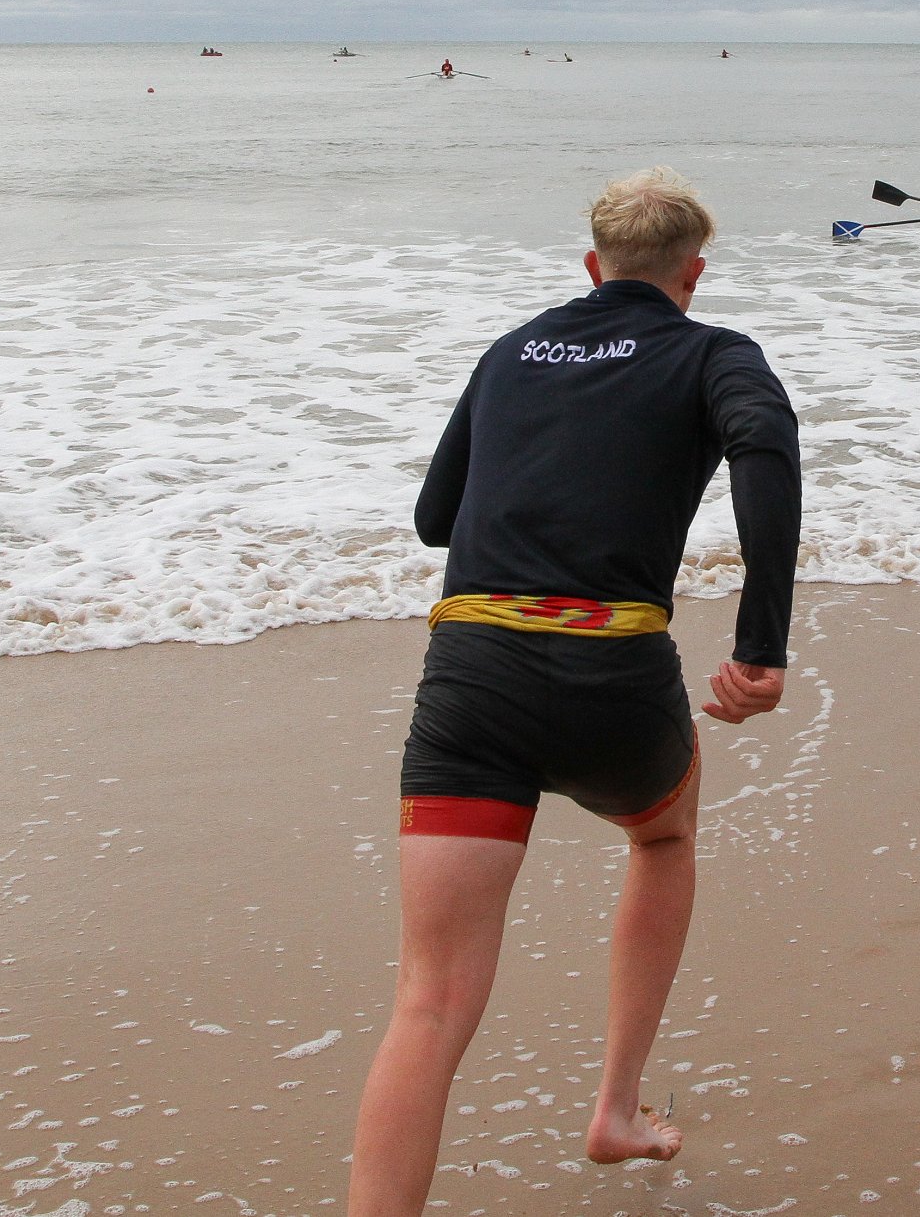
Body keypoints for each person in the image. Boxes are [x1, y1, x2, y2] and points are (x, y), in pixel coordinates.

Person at [347, 168, 802, 1215]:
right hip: (614, 674)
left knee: (428, 1000)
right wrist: (759, 643)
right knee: (663, 835)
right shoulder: (713, 351)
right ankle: (615, 1109)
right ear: (692, 273)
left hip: (473, 678)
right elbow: (763, 448)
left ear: (592, 268)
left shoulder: (511, 351)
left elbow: (433, 517)